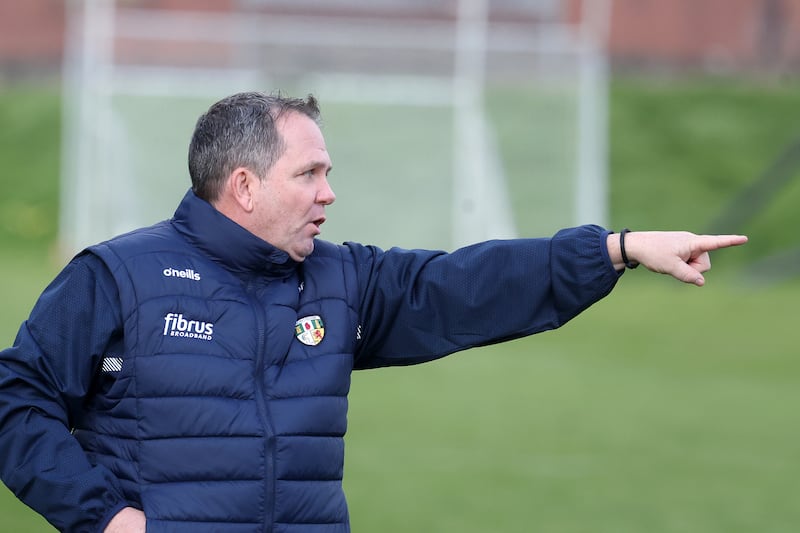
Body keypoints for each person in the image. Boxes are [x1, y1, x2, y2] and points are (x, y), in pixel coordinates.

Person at [0, 91, 747, 533]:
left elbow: (464, 285)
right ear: (244, 186)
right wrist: (104, 516)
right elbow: (16, 400)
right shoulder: (116, 275)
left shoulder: (342, 279)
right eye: (311, 173)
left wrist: (616, 249)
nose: (329, 193)